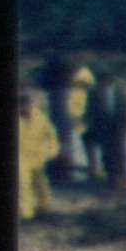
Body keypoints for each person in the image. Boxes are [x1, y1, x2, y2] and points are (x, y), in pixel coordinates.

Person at [38, 47, 79, 181]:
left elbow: (43, 82)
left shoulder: (52, 67)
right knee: (64, 136)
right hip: (62, 100)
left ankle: (60, 168)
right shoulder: (65, 66)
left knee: (58, 134)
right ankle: (64, 168)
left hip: (57, 100)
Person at [90, 71, 126, 189]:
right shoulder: (94, 93)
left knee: (120, 152)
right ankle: (111, 179)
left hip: (118, 126)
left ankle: (124, 178)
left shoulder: (119, 92)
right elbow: (91, 111)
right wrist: (93, 128)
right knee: (106, 153)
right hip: (103, 127)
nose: (102, 83)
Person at [20, 85, 58, 220]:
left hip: (38, 156)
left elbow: (51, 136)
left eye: (28, 105)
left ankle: (43, 206)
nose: (26, 108)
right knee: (24, 183)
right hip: (21, 157)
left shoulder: (41, 118)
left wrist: (52, 151)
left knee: (41, 183)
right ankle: (27, 213)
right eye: (23, 106)